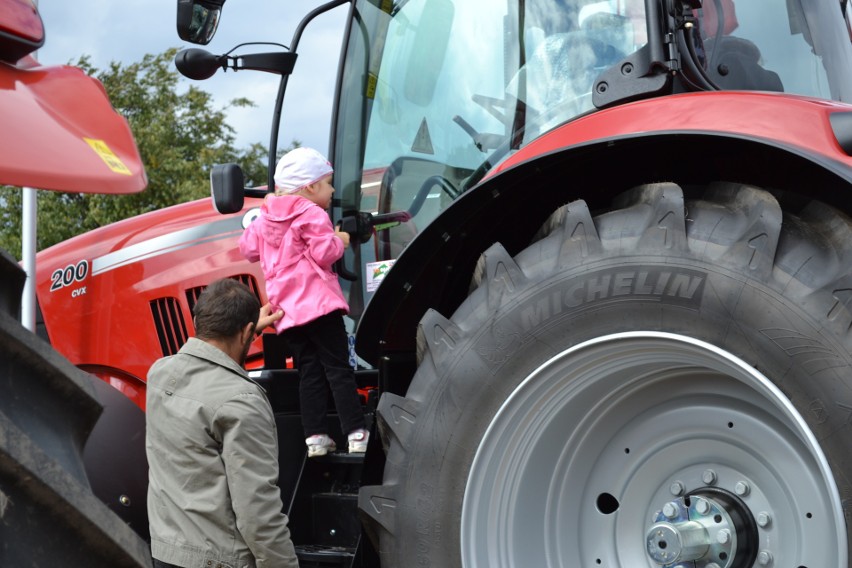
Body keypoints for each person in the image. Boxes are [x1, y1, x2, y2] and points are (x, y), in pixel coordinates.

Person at [146, 278, 300, 568]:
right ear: (245, 333)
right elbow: (258, 512)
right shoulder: (241, 400)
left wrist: (246, 331)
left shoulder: (159, 375)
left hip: (167, 553)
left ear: (196, 320)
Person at [239, 147, 369, 458]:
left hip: (289, 314)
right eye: (327, 183)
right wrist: (341, 240)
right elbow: (325, 254)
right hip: (319, 308)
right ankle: (356, 432)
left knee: (309, 372)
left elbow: (248, 250)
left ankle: (316, 437)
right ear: (310, 187)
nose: (333, 190)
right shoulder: (312, 213)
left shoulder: (263, 219)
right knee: (338, 369)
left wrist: (261, 221)